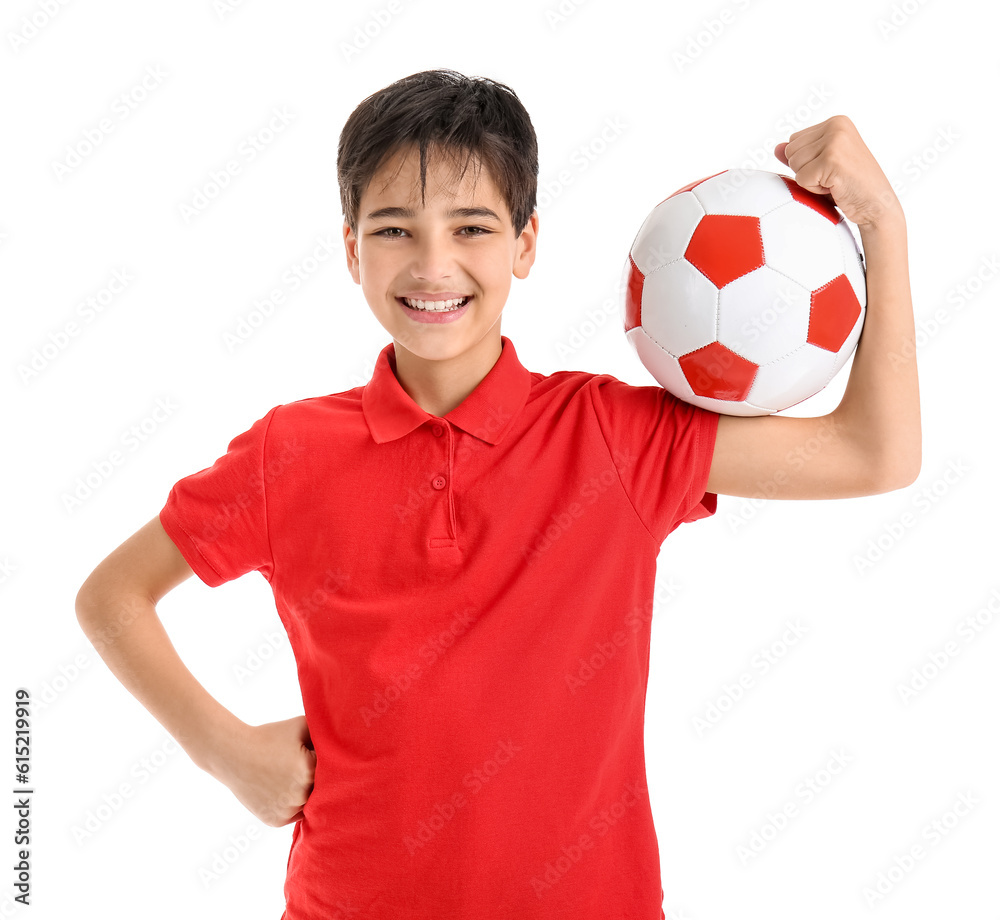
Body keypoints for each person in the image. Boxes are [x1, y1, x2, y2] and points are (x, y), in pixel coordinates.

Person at [75, 69, 920, 919]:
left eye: (471, 226)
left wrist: (882, 224)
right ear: (350, 250)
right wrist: (224, 751)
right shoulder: (289, 451)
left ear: (525, 243)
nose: (433, 263)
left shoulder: (615, 437)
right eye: (395, 229)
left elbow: (873, 453)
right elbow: (111, 596)